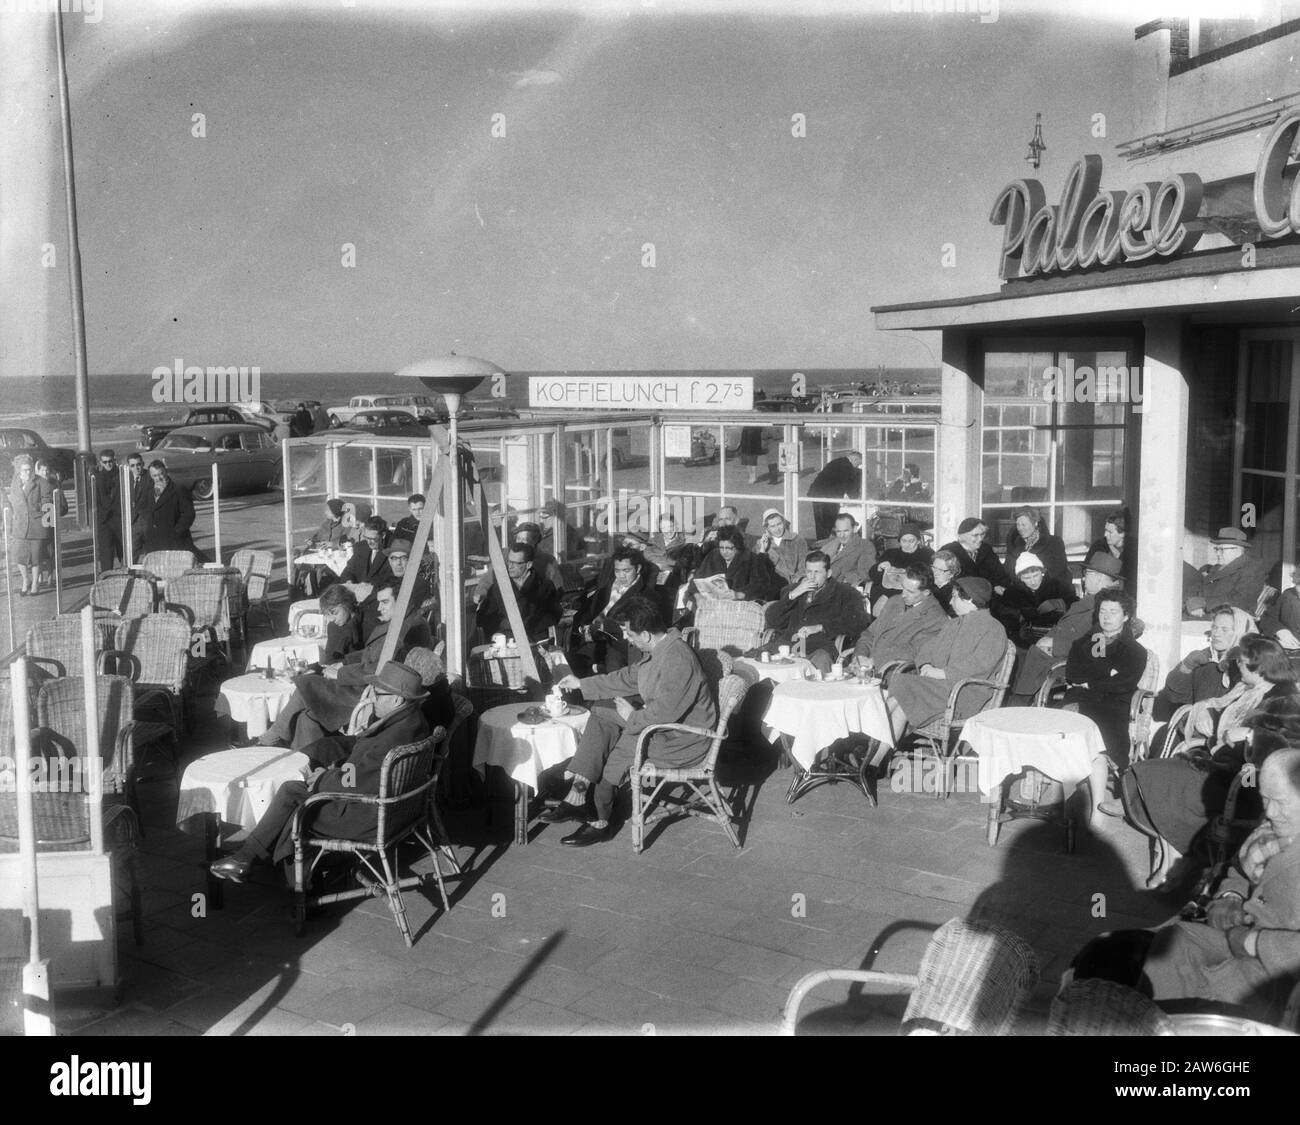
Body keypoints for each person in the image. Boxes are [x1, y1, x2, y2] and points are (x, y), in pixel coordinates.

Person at [1081, 750, 1300, 1018]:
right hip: (1238, 937)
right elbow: (1239, 870)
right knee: (1168, 943)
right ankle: (1153, 1020)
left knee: (1199, 995)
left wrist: (1252, 941)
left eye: (1280, 801)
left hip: (1278, 973)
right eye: (1265, 799)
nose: (1270, 811)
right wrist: (1230, 896)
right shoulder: (1269, 833)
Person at [209, 661, 433, 881]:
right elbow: (367, 770)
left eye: (377, 693)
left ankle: (260, 864)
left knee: (292, 794)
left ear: (397, 699)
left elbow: (355, 782)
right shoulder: (414, 723)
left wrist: (322, 779)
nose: (372, 697)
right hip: (394, 811)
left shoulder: (392, 736)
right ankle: (259, 858)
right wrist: (334, 770)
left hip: (366, 819)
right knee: (301, 791)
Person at [1118, 636, 1298, 884]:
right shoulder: (1245, 689)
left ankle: (1177, 862)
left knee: (1164, 782)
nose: (1238, 667)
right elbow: (1214, 705)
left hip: (1247, 781)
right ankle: (1173, 860)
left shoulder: (1286, 699)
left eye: (1244, 663)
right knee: (1150, 772)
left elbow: (1290, 751)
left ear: (1262, 667)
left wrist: (1252, 735)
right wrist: (1202, 710)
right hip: (1217, 763)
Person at [542, 597, 716, 847]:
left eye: (628, 633)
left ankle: (596, 816)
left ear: (645, 634)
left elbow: (663, 714)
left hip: (684, 740)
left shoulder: (677, 659)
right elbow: (629, 678)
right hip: (665, 728)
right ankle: (578, 795)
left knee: (624, 738)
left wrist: (631, 716)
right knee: (602, 710)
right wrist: (582, 683)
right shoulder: (661, 648)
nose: (626, 639)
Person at [255, 583, 433, 749]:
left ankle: (272, 737)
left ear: (402, 601)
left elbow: (384, 669)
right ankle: (306, 764)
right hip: (364, 684)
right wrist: (345, 662)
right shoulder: (401, 624)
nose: (379, 608)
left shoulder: (408, 629)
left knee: (305, 684)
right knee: (306, 717)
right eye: (379, 603)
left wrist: (341, 672)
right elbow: (370, 654)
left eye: (385, 602)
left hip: (370, 691)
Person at [886, 577, 1008, 732]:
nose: (950, 602)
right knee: (902, 700)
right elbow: (927, 648)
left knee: (903, 686)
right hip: (939, 688)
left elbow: (980, 664)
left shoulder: (994, 628)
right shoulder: (953, 624)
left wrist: (943, 673)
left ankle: (871, 742)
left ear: (969, 599)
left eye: (954, 597)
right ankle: (876, 750)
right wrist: (926, 664)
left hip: (964, 693)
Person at [1007, 551, 1126, 703]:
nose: (1084, 578)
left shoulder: (1106, 607)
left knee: (1018, 681)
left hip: (1062, 663)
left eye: (1087, 574)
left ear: (1099, 577)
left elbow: (1099, 646)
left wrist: (1055, 645)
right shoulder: (1092, 601)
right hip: (1047, 657)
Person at [1059, 587, 1148, 770]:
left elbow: (1125, 684)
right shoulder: (1081, 644)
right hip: (1080, 698)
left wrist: (1090, 681)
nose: (1106, 617)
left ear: (1125, 616)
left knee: (1104, 736)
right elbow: (1073, 675)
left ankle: (1104, 771)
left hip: (1114, 704)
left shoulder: (1135, 651)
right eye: (1102, 611)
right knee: (1063, 729)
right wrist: (1108, 673)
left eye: (1113, 612)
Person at [759, 551, 869, 673]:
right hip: (789, 646)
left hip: (819, 648)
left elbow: (859, 622)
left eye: (817, 572)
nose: (811, 577)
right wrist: (792, 596)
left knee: (820, 664)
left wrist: (821, 627)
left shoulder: (845, 593)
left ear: (828, 573)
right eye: (809, 571)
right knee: (760, 661)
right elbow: (772, 620)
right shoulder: (793, 590)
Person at [1153, 604, 1255, 724]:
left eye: (1224, 629)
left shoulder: (1251, 665)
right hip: (1197, 731)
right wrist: (1186, 667)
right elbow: (1174, 697)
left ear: (1240, 632)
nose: (1216, 634)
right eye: (1215, 627)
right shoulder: (1204, 658)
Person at [850, 565, 948, 673]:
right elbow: (870, 634)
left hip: (893, 673)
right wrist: (859, 657)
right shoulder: (894, 601)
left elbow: (912, 651)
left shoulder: (937, 619)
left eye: (910, 592)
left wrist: (873, 661)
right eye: (903, 588)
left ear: (926, 592)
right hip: (866, 667)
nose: (903, 595)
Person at [569, 547, 651, 675]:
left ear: (638, 568)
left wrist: (602, 627)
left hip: (619, 644)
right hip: (592, 639)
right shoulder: (606, 587)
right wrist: (582, 627)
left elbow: (637, 629)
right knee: (568, 663)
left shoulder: (645, 595)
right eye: (617, 571)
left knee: (613, 670)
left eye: (626, 570)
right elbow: (587, 612)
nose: (621, 575)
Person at [475, 542, 561, 642]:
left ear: (528, 565)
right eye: (509, 562)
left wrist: (528, 625)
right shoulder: (498, 588)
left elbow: (553, 615)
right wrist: (502, 624)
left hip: (535, 641)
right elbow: (483, 618)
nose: (510, 567)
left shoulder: (545, 587)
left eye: (515, 563)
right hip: (505, 641)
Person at [992, 551, 1076, 646]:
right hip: (1025, 643)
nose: (1033, 582)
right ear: (1020, 578)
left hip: (1056, 638)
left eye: (1035, 576)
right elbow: (1002, 615)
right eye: (1027, 578)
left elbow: (1075, 605)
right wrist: (1019, 616)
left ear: (1042, 572)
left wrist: (1060, 604)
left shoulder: (1057, 587)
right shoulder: (1012, 593)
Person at [1186, 527, 1269, 618]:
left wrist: (1203, 603)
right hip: (1208, 614)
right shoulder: (1217, 568)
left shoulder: (1253, 568)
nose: (1217, 553)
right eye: (1216, 549)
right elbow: (1200, 589)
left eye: (1221, 550)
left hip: (1233, 618)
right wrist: (1192, 603)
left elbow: (1241, 600)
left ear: (1237, 549)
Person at [692, 526, 781, 603]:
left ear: (738, 547)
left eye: (728, 548)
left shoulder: (751, 559)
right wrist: (698, 597)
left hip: (738, 609)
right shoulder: (713, 555)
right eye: (721, 547)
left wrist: (738, 595)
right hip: (711, 607)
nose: (724, 552)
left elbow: (761, 584)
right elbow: (697, 580)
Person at [1004, 506, 1071, 590]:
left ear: (1035, 523)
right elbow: (1009, 570)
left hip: (1051, 590)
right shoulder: (1013, 545)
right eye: (1018, 524)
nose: (1020, 528)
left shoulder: (1054, 542)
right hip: (1022, 591)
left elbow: (1058, 570)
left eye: (1024, 524)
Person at [140, 461, 198, 556]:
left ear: (166, 472)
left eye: (161, 474)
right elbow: (142, 507)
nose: (158, 478)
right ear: (150, 476)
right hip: (154, 541)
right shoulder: (149, 490)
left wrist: (176, 531)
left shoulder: (179, 489)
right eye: (154, 476)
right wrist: (150, 522)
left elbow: (189, 514)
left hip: (175, 541)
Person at [869, 523, 933, 607]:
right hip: (884, 593)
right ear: (899, 541)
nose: (907, 544)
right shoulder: (890, 554)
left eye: (911, 541)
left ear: (918, 541)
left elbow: (928, 581)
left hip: (911, 594)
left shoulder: (927, 555)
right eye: (904, 541)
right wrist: (879, 567)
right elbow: (872, 575)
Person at [5, 455, 43, 596]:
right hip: (20, 525)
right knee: (19, 555)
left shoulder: (39, 482)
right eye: (24, 470)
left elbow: (47, 500)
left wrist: (48, 524)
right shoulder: (15, 484)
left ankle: (34, 584)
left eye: (29, 470)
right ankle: (25, 580)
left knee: (36, 556)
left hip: (36, 525)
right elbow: (11, 503)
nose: (28, 473)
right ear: (18, 471)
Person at [940, 517, 1011, 593]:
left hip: (988, 596)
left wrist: (996, 586)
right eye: (975, 535)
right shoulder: (948, 551)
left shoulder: (986, 549)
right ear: (960, 536)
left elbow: (1001, 575)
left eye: (982, 534)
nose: (980, 539)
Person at [808, 451, 864, 541]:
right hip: (826, 498)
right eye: (858, 464)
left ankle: (822, 543)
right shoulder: (847, 466)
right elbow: (849, 487)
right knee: (827, 523)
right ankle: (825, 544)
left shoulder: (838, 461)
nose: (857, 467)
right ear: (855, 459)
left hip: (817, 494)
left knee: (820, 524)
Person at [816, 512, 876, 588]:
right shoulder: (830, 544)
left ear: (854, 529)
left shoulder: (865, 546)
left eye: (846, 531)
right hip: (821, 586)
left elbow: (866, 574)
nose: (842, 535)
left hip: (843, 589)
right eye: (839, 531)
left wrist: (844, 577)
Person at [1086, 510, 1134, 591]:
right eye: (1105, 530)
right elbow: (1087, 568)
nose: (1105, 534)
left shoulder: (1134, 550)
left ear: (1122, 534)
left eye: (1110, 532)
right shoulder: (1098, 546)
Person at [93, 448, 124, 574]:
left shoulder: (121, 474)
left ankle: (125, 574)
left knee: (123, 550)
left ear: (114, 460)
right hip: (104, 520)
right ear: (100, 462)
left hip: (119, 518)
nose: (108, 464)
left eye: (110, 461)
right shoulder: (97, 478)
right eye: (105, 462)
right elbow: (96, 500)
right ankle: (106, 576)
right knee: (106, 551)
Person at [756, 509, 807, 584]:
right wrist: (763, 549)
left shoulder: (797, 540)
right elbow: (759, 570)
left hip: (795, 583)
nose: (777, 529)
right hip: (772, 584)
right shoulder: (760, 544)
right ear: (767, 528)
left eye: (779, 524)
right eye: (772, 526)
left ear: (783, 523)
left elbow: (804, 565)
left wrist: (799, 578)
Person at [317, 582, 363, 665]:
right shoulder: (333, 627)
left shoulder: (365, 622)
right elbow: (329, 660)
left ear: (346, 604)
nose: (332, 619)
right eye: (328, 615)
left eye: (335, 612)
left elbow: (370, 655)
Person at [125, 452, 151, 555]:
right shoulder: (125, 478)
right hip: (132, 522)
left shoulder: (150, 477)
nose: (136, 468)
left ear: (143, 464)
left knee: (150, 552)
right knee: (132, 553)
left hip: (147, 520)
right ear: (129, 466)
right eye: (133, 465)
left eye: (138, 464)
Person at [929, 548, 961, 616]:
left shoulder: (953, 594)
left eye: (940, 570)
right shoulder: (929, 584)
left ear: (952, 574)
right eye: (934, 568)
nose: (935, 573)